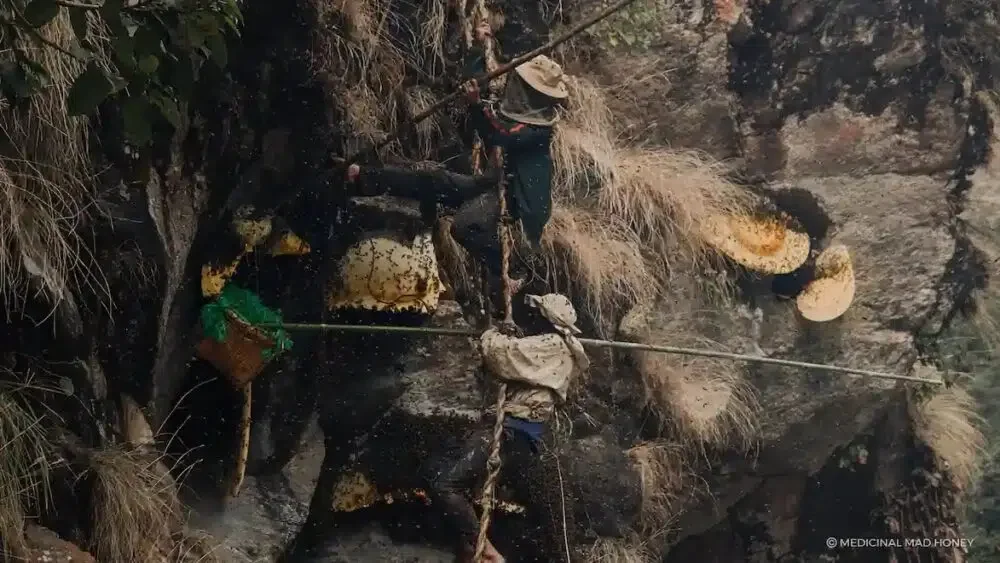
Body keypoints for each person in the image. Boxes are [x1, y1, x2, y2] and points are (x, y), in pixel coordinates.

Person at [343, 19, 569, 275]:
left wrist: (475, 105)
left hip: (518, 199)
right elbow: (480, 86)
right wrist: (478, 48)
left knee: (465, 227)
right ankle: (363, 176)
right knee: (432, 178)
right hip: (494, 183)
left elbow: (499, 135)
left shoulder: (538, 130)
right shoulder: (520, 113)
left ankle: (516, 272)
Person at [422, 293, 590, 563]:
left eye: (535, 314)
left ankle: (486, 550)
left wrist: (492, 331)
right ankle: (469, 548)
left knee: (445, 484)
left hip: (512, 429)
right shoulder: (550, 346)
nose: (530, 317)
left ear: (545, 321)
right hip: (513, 428)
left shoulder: (552, 346)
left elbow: (498, 354)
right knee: (440, 471)